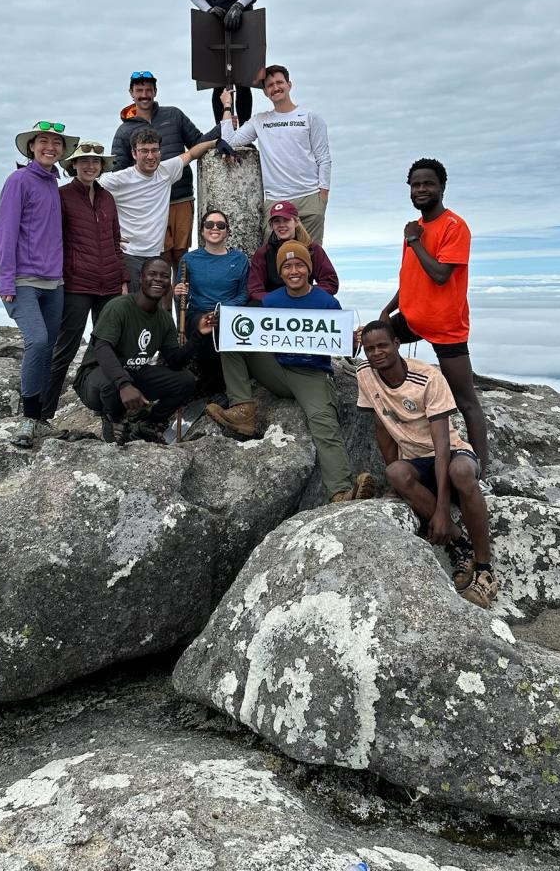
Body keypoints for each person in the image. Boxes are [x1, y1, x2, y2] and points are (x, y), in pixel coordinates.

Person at [206, 241, 374, 504]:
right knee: (232, 337)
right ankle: (243, 409)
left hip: (311, 373)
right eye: (287, 266)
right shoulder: (272, 300)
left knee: (323, 422)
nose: (293, 270)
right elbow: (255, 332)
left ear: (308, 269)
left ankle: (340, 490)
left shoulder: (326, 301)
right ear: (281, 272)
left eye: (299, 265)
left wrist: (355, 340)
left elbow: (343, 345)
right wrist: (224, 323)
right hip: (277, 368)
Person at [357, 319, 497, 609]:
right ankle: (460, 545)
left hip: (452, 454)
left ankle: (484, 568)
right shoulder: (365, 375)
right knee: (395, 472)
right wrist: (397, 485)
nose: (376, 353)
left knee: (460, 472)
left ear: (397, 344)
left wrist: (443, 509)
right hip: (415, 461)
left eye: (383, 345)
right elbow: (381, 426)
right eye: (369, 349)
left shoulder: (427, 378)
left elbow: (442, 444)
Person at [379, 158, 488, 472]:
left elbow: (440, 274)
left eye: (428, 184)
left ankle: (481, 468)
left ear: (442, 187)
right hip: (412, 318)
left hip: (445, 325)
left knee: (465, 399)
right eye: (416, 185)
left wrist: (414, 241)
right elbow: (412, 277)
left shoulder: (454, 226)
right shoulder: (416, 228)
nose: (421, 189)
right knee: (374, 340)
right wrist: (389, 310)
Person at [0, 119, 79, 446]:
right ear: (31, 147)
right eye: (43, 141)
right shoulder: (19, 181)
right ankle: (28, 419)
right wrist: (6, 282)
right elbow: (4, 231)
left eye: (56, 143)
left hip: (53, 282)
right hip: (23, 281)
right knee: (39, 342)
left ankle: (41, 418)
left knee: (49, 349)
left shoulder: (51, 186)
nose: (50, 147)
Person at [74, 256, 213, 443]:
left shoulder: (163, 319)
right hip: (96, 379)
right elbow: (102, 348)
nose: (158, 279)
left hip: (134, 374)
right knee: (111, 379)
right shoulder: (119, 307)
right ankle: (114, 419)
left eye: (164, 276)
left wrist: (199, 335)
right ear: (140, 278)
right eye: (152, 274)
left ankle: (148, 423)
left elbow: (175, 361)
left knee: (185, 380)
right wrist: (124, 385)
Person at [39, 140, 127, 422]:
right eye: (84, 161)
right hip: (76, 284)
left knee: (109, 347)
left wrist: (123, 278)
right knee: (64, 350)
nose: (91, 166)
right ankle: (41, 414)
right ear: (73, 165)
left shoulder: (107, 198)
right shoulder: (62, 196)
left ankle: (108, 406)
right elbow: (51, 239)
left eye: (96, 162)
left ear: (102, 167)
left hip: (110, 284)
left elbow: (115, 241)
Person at [111, 71, 218, 274]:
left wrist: (224, 126)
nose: (144, 95)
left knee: (182, 258)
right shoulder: (124, 131)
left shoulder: (174, 115)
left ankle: (183, 305)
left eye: (148, 90)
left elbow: (198, 143)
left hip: (180, 197)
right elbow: (118, 173)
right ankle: (164, 307)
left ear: (155, 92)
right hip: (148, 205)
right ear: (131, 93)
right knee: (160, 261)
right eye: (139, 90)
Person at [219, 66, 331, 242]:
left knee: (310, 259)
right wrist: (226, 105)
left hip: (309, 197)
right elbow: (230, 141)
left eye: (279, 82)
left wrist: (322, 198)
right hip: (275, 200)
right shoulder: (260, 120)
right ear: (265, 91)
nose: (275, 87)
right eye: (270, 85)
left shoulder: (310, 117)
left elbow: (323, 159)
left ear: (289, 85)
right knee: (273, 260)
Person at [100, 127, 218, 292]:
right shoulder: (118, 180)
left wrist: (215, 142)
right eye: (144, 151)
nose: (150, 156)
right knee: (130, 308)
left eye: (155, 150)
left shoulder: (165, 171)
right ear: (134, 154)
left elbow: (191, 154)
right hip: (129, 255)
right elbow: (87, 195)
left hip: (155, 256)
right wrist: (107, 236)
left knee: (151, 308)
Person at [173, 207, 249, 395]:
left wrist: (223, 309)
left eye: (220, 225)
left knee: (221, 326)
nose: (215, 228)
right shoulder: (189, 259)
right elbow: (180, 295)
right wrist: (178, 291)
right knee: (207, 325)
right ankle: (208, 387)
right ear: (202, 230)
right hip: (198, 314)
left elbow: (244, 294)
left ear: (227, 231)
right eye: (209, 224)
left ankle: (222, 388)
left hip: (229, 312)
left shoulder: (239, 259)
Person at [248, 199, 338, 303]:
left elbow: (330, 282)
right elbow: (255, 289)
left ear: (296, 222)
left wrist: (307, 296)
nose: (281, 225)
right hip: (274, 306)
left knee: (330, 302)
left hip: (306, 302)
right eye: (276, 221)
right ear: (272, 225)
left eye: (286, 220)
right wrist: (278, 300)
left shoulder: (312, 249)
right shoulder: (263, 253)